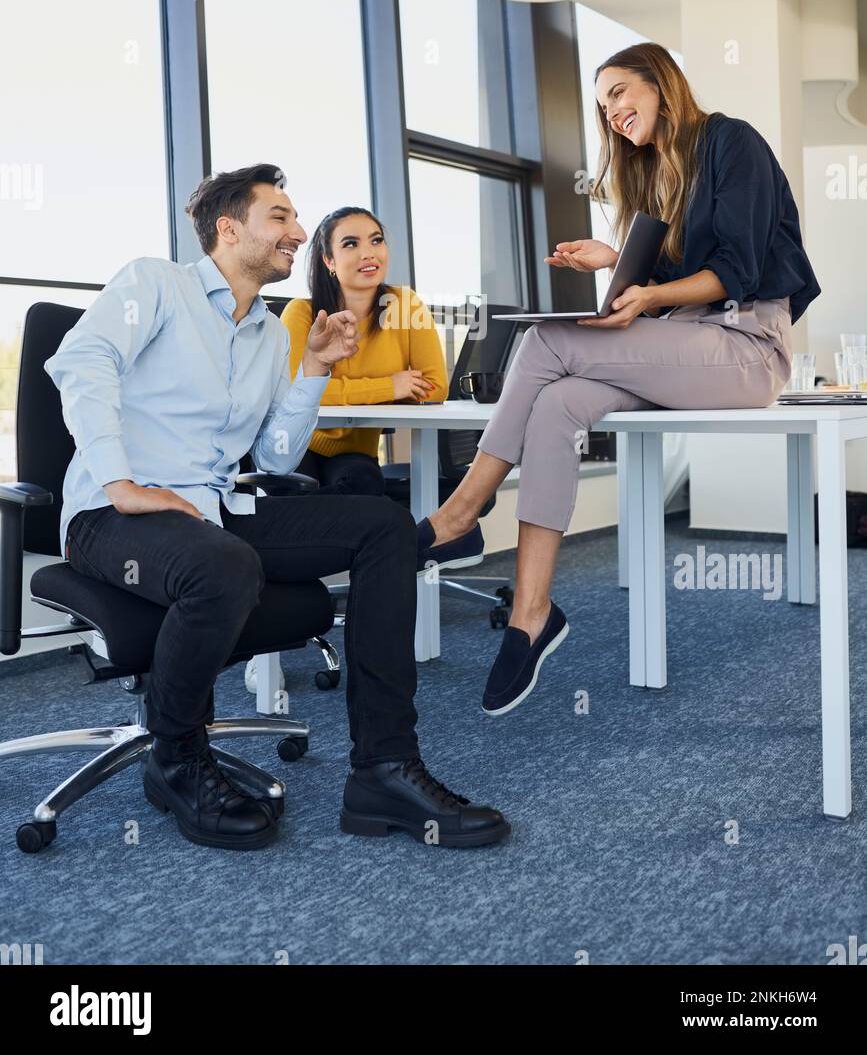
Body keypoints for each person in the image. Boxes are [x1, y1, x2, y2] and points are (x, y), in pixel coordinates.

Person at [45, 164, 509, 852]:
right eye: (281, 218)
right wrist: (119, 483)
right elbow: (80, 363)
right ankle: (174, 756)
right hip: (111, 516)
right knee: (222, 567)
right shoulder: (156, 284)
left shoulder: (266, 333)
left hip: (216, 507)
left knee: (381, 527)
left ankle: (384, 768)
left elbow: (277, 457)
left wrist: (314, 371)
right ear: (229, 229)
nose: (297, 233)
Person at [416, 43, 821, 716]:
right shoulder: (651, 175)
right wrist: (615, 261)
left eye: (618, 92)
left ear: (661, 84)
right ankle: (530, 612)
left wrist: (649, 297)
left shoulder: (728, 142)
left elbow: (737, 271)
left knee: (547, 340)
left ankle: (460, 513)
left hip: (745, 345)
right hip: (688, 339)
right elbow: (661, 285)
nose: (609, 112)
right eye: (601, 103)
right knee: (556, 405)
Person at [282, 206, 448, 496]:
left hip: (355, 453)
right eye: (350, 244)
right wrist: (391, 386)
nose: (369, 253)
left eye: (376, 240)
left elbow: (435, 388)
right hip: (295, 444)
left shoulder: (404, 305)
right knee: (299, 500)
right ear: (328, 261)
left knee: (363, 487)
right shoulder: (301, 313)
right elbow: (298, 393)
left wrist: (342, 392)